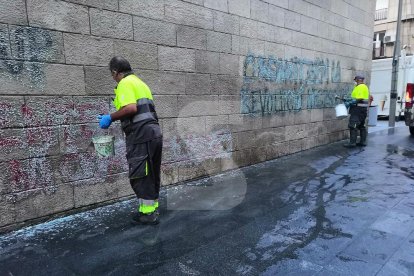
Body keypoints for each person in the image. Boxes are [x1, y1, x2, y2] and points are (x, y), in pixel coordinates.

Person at [98, 56, 163, 225]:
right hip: (154, 133)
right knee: (151, 172)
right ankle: (150, 209)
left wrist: (110, 117)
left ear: (115, 72)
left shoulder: (125, 83)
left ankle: (148, 214)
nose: (113, 78)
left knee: (141, 174)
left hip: (140, 135)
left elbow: (131, 108)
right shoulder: (141, 84)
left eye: (112, 75)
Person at [343, 75, 370, 148]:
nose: (354, 81)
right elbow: (356, 97)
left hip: (357, 109)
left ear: (358, 80)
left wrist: (350, 102)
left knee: (353, 125)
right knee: (361, 125)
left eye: (355, 80)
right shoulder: (362, 87)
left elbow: (359, 98)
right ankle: (363, 142)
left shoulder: (361, 87)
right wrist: (349, 100)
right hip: (362, 110)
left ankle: (352, 143)